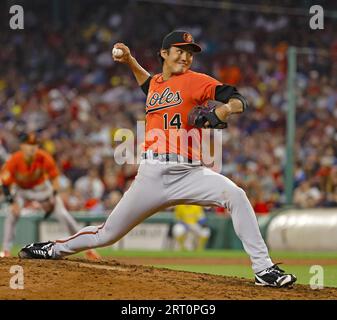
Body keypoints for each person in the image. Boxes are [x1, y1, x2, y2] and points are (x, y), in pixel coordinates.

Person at [18, 31, 296, 287]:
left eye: (190, 52)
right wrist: (129, 60)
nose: (186, 56)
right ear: (164, 53)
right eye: (180, 50)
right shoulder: (156, 85)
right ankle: (52, 249)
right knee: (107, 234)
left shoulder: (197, 80)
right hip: (152, 174)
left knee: (235, 195)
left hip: (190, 173)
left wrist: (223, 112)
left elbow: (237, 98)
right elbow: (147, 83)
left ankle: (264, 268)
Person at [0, 132, 100, 260]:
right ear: (22, 146)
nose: (32, 147)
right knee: (12, 215)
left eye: (35, 144)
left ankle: (89, 249)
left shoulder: (43, 157)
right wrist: (12, 202)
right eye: (29, 144)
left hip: (42, 189)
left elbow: (55, 178)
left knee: (64, 215)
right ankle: (6, 250)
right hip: (22, 191)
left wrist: (53, 195)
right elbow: (5, 183)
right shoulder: (14, 160)